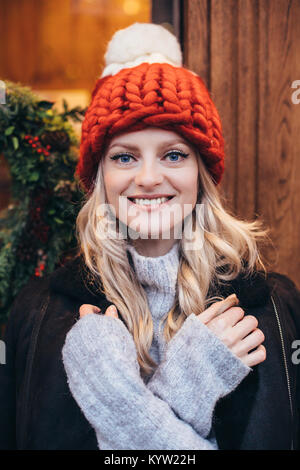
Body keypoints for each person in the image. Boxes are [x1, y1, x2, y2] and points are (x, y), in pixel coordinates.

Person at [0, 22, 299, 450]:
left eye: (173, 154)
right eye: (124, 156)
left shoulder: (273, 307)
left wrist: (132, 402)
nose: (148, 178)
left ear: (202, 174)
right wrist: (180, 389)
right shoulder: (39, 314)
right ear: (100, 177)